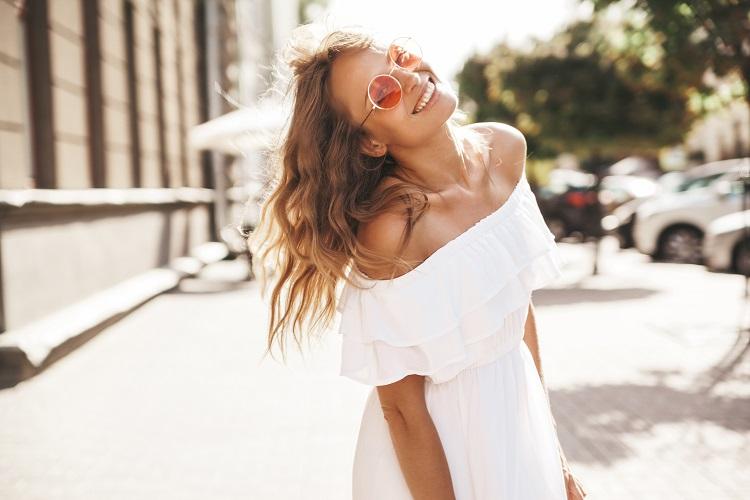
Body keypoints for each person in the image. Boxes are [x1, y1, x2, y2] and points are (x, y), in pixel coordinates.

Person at [248, 24, 587, 500]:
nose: (407, 78)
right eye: (382, 91)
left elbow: (514, 308)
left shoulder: (505, 150)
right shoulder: (393, 230)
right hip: (439, 451)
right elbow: (402, 411)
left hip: (518, 417)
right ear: (371, 143)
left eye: (399, 57)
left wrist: (556, 459)